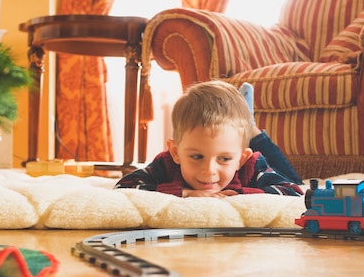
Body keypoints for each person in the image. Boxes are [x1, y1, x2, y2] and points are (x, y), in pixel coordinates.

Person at [115, 80, 303, 197]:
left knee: (297, 179)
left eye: (225, 158)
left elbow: (294, 191)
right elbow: (124, 188)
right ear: (175, 152)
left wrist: (241, 194)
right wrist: (185, 193)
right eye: (197, 156)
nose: (208, 170)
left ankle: (252, 129)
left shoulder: (251, 165)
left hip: (252, 155)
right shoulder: (166, 162)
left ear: (241, 159)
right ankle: (247, 122)